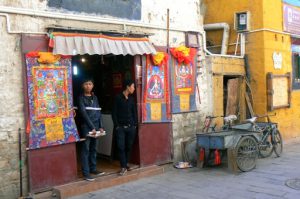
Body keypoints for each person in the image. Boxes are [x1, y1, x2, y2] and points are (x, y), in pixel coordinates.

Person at [78, 78, 105, 181]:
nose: (88, 86)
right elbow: (83, 114)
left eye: (90, 84)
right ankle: (86, 173)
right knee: (86, 149)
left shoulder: (95, 98)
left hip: (96, 127)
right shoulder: (80, 98)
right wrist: (92, 127)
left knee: (94, 149)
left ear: (93, 86)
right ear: (82, 86)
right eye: (86, 84)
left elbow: (99, 112)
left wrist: (101, 126)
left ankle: (93, 168)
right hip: (86, 127)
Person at [112, 79, 137, 176]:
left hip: (131, 127)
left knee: (129, 146)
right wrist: (117, 126)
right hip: (121, 128)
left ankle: (126, 164)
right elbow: (114, 113)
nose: (134, 89)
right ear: (127, 86)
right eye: (133, 86)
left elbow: (134, 113)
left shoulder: (131, 99)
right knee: (121, 147)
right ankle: (123, 166)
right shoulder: (118, 98)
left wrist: (134, 125)